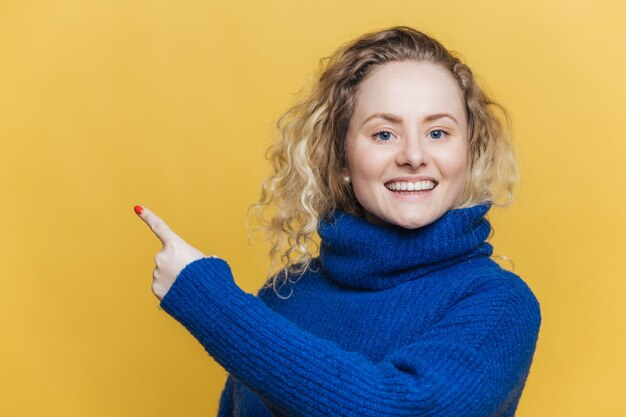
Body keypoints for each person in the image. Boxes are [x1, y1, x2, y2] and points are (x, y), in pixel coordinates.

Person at [135, 26, 541, 417]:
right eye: (384, 134)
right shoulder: (284, 298)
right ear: (342, 158)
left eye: (438, 133)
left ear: (469, 152)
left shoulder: (499, 304)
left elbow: (401, 409)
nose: (414, 155)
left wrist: (211, 302)